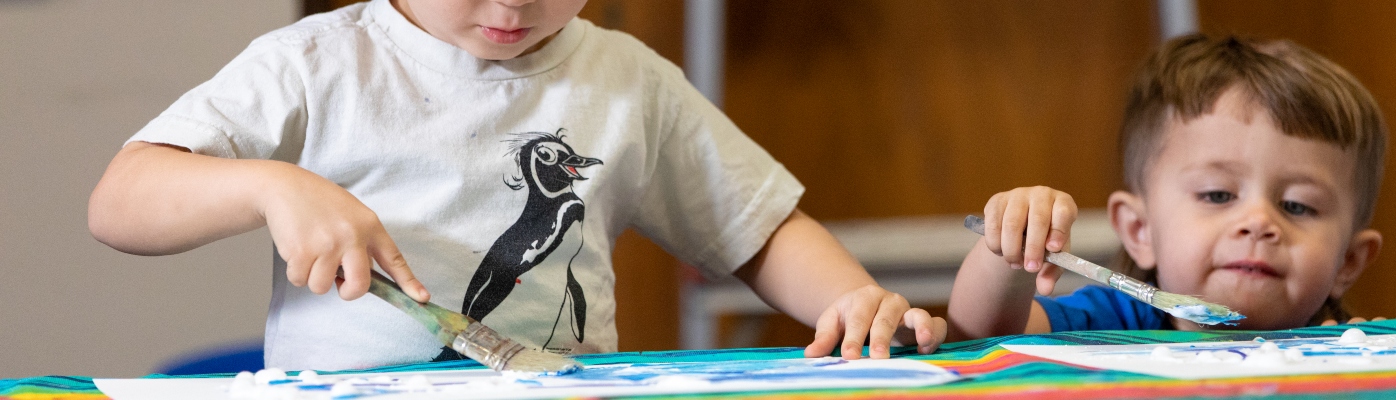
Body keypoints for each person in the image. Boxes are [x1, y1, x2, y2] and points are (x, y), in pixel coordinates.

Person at [87, 0, 945, 370]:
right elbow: (121, 202)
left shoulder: (624, 78)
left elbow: (756, 228)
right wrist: (267, 187)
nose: (514, 4)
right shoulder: (316, 65)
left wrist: (857, 299)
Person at [946, 34, 1387, 339]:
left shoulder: (1354, 345)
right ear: (1140, 231)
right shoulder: (1109, 323)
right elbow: (984, 334)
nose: (1258, 223)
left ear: (1348, 261)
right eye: (1218, 195)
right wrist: (1009, 247)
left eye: (1296, 205)